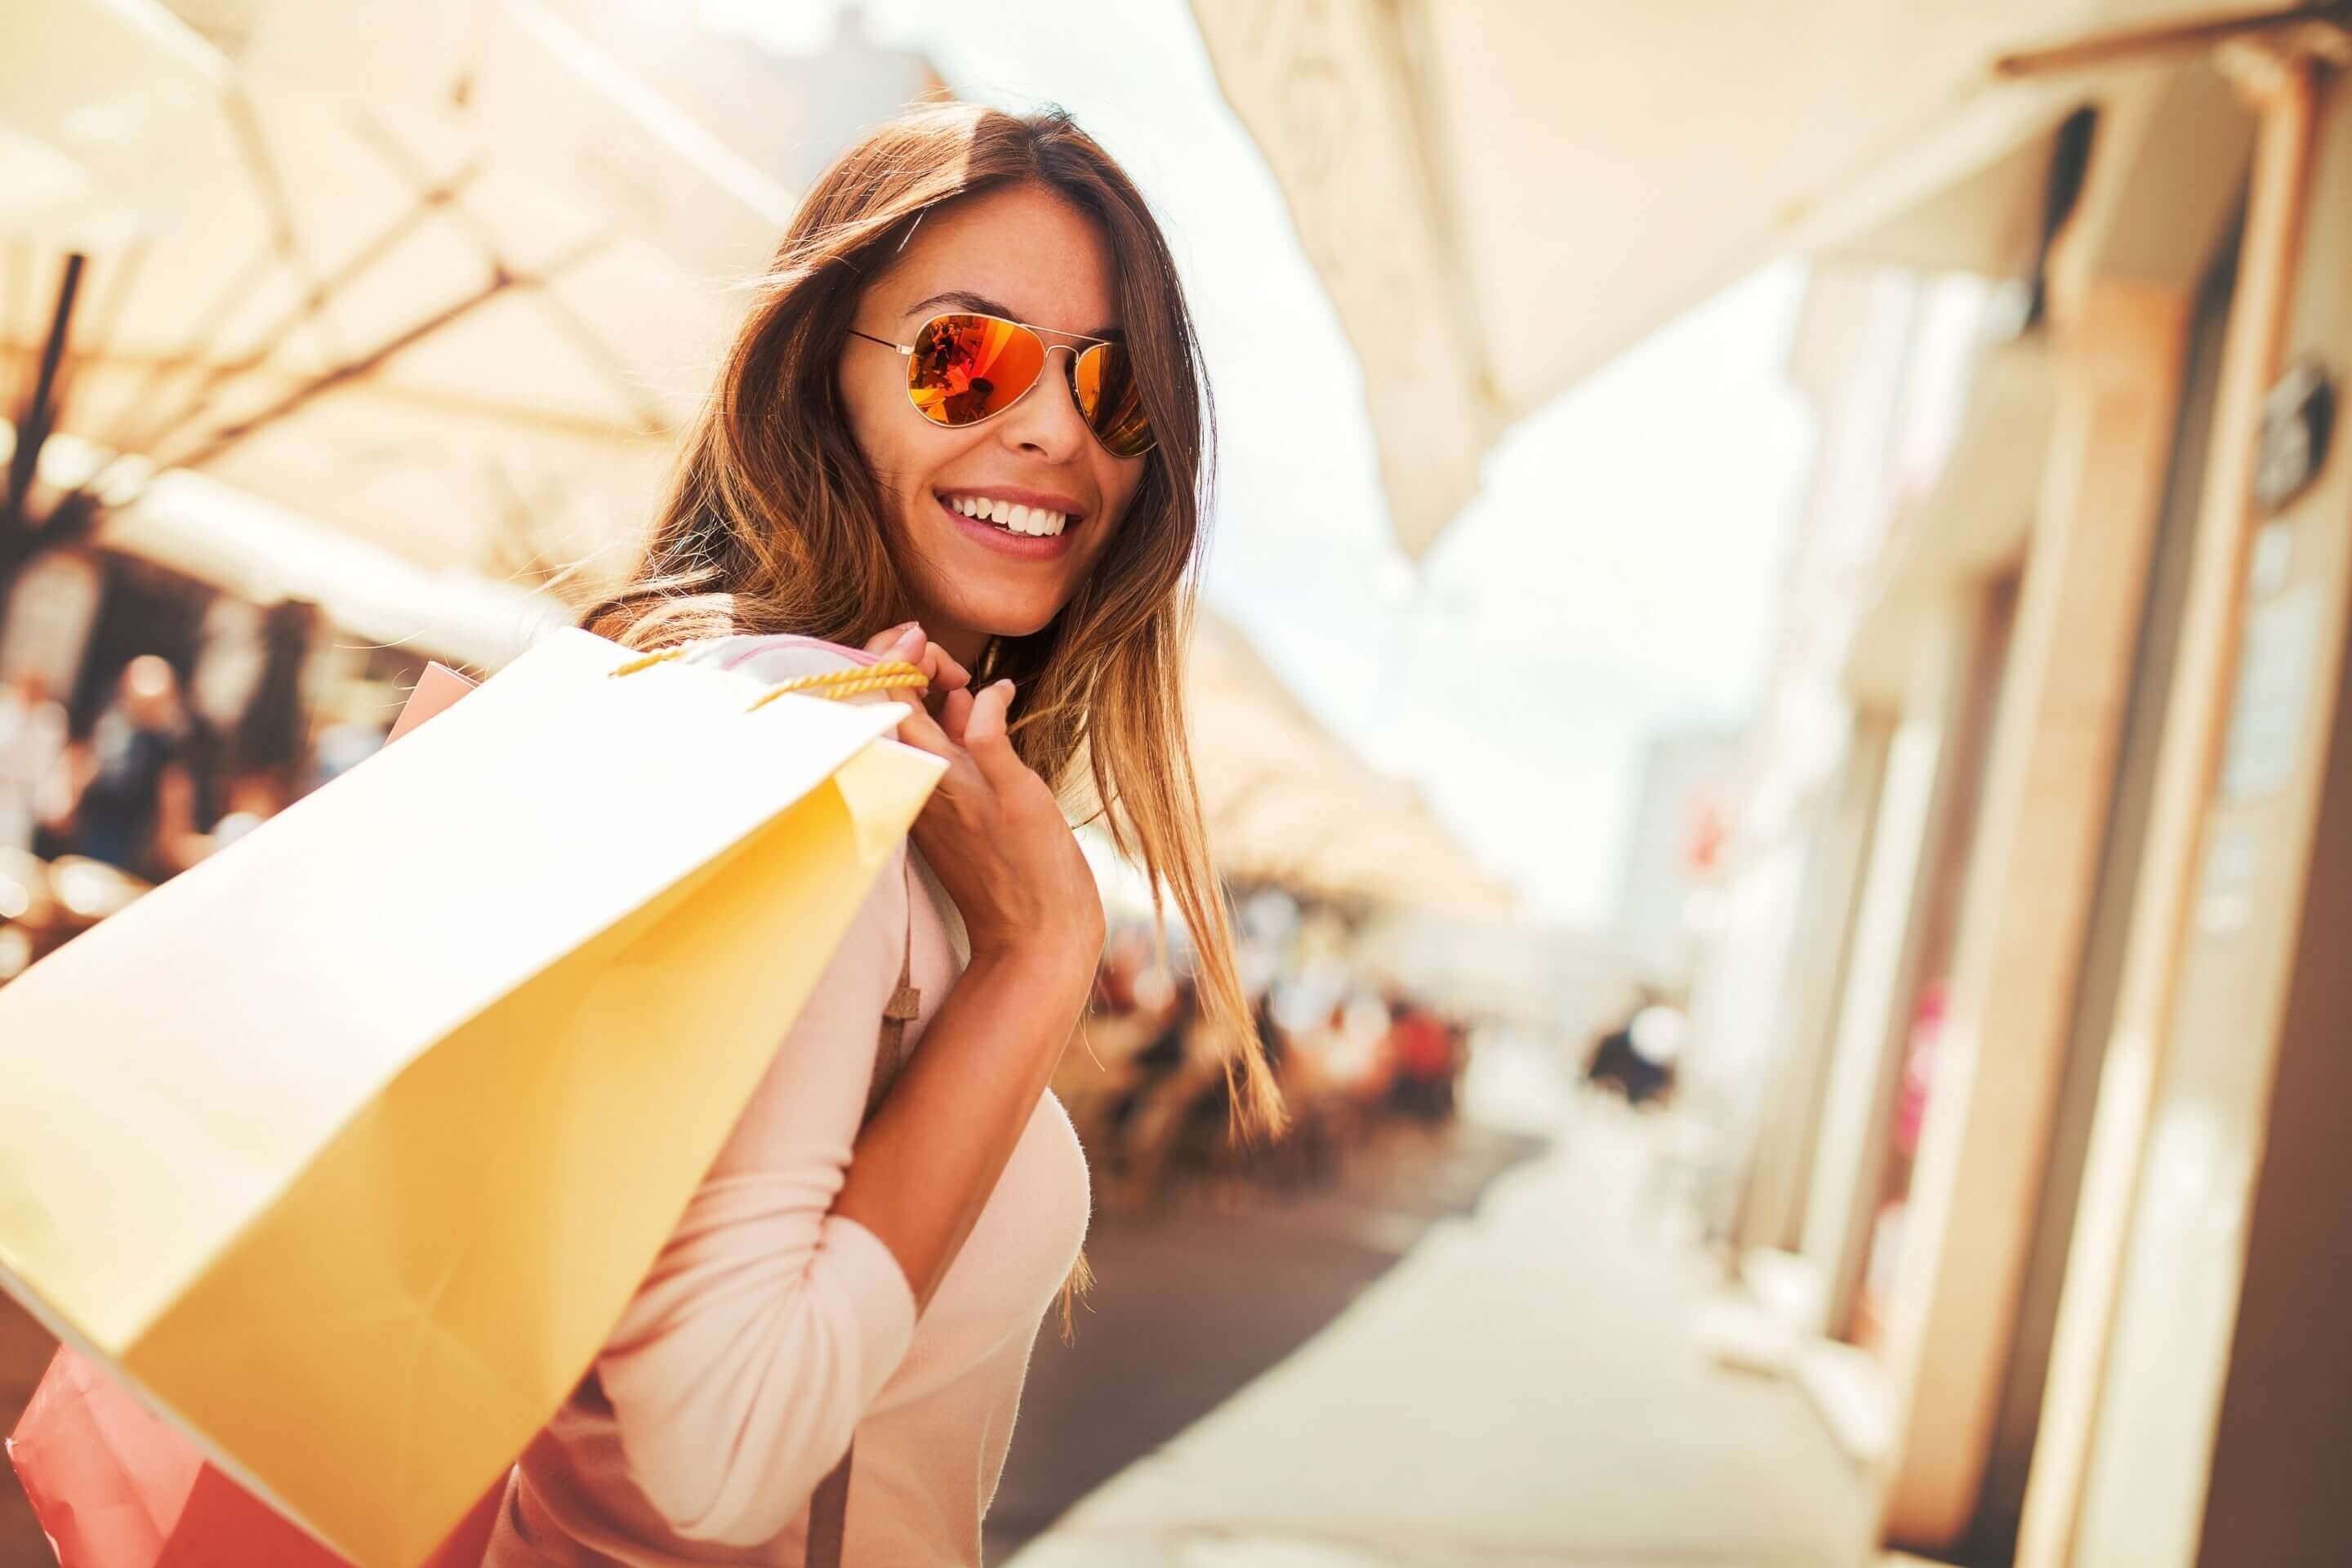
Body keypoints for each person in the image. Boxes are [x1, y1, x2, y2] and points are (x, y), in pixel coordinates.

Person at [492, 105, 1285, 1567]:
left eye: (1114, 392)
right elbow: (716, 1460)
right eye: (964, 355)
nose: (1051, 428)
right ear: (821, 381)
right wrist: (1040, 959)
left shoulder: (846, 766)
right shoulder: (795, 753)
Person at [56, 656, 207, 883]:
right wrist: (71, 799)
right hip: (92, 830)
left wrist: (171, 840)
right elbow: (88, 760)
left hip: (131, 844)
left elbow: (173, 799)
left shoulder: (167, 746)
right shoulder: (111, 725)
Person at [0, 669, 69, 855]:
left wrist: (54, 804)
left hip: (20, 802)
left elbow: (50, 765)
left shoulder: (50, 721)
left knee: (11, 855)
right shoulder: (6, 712)